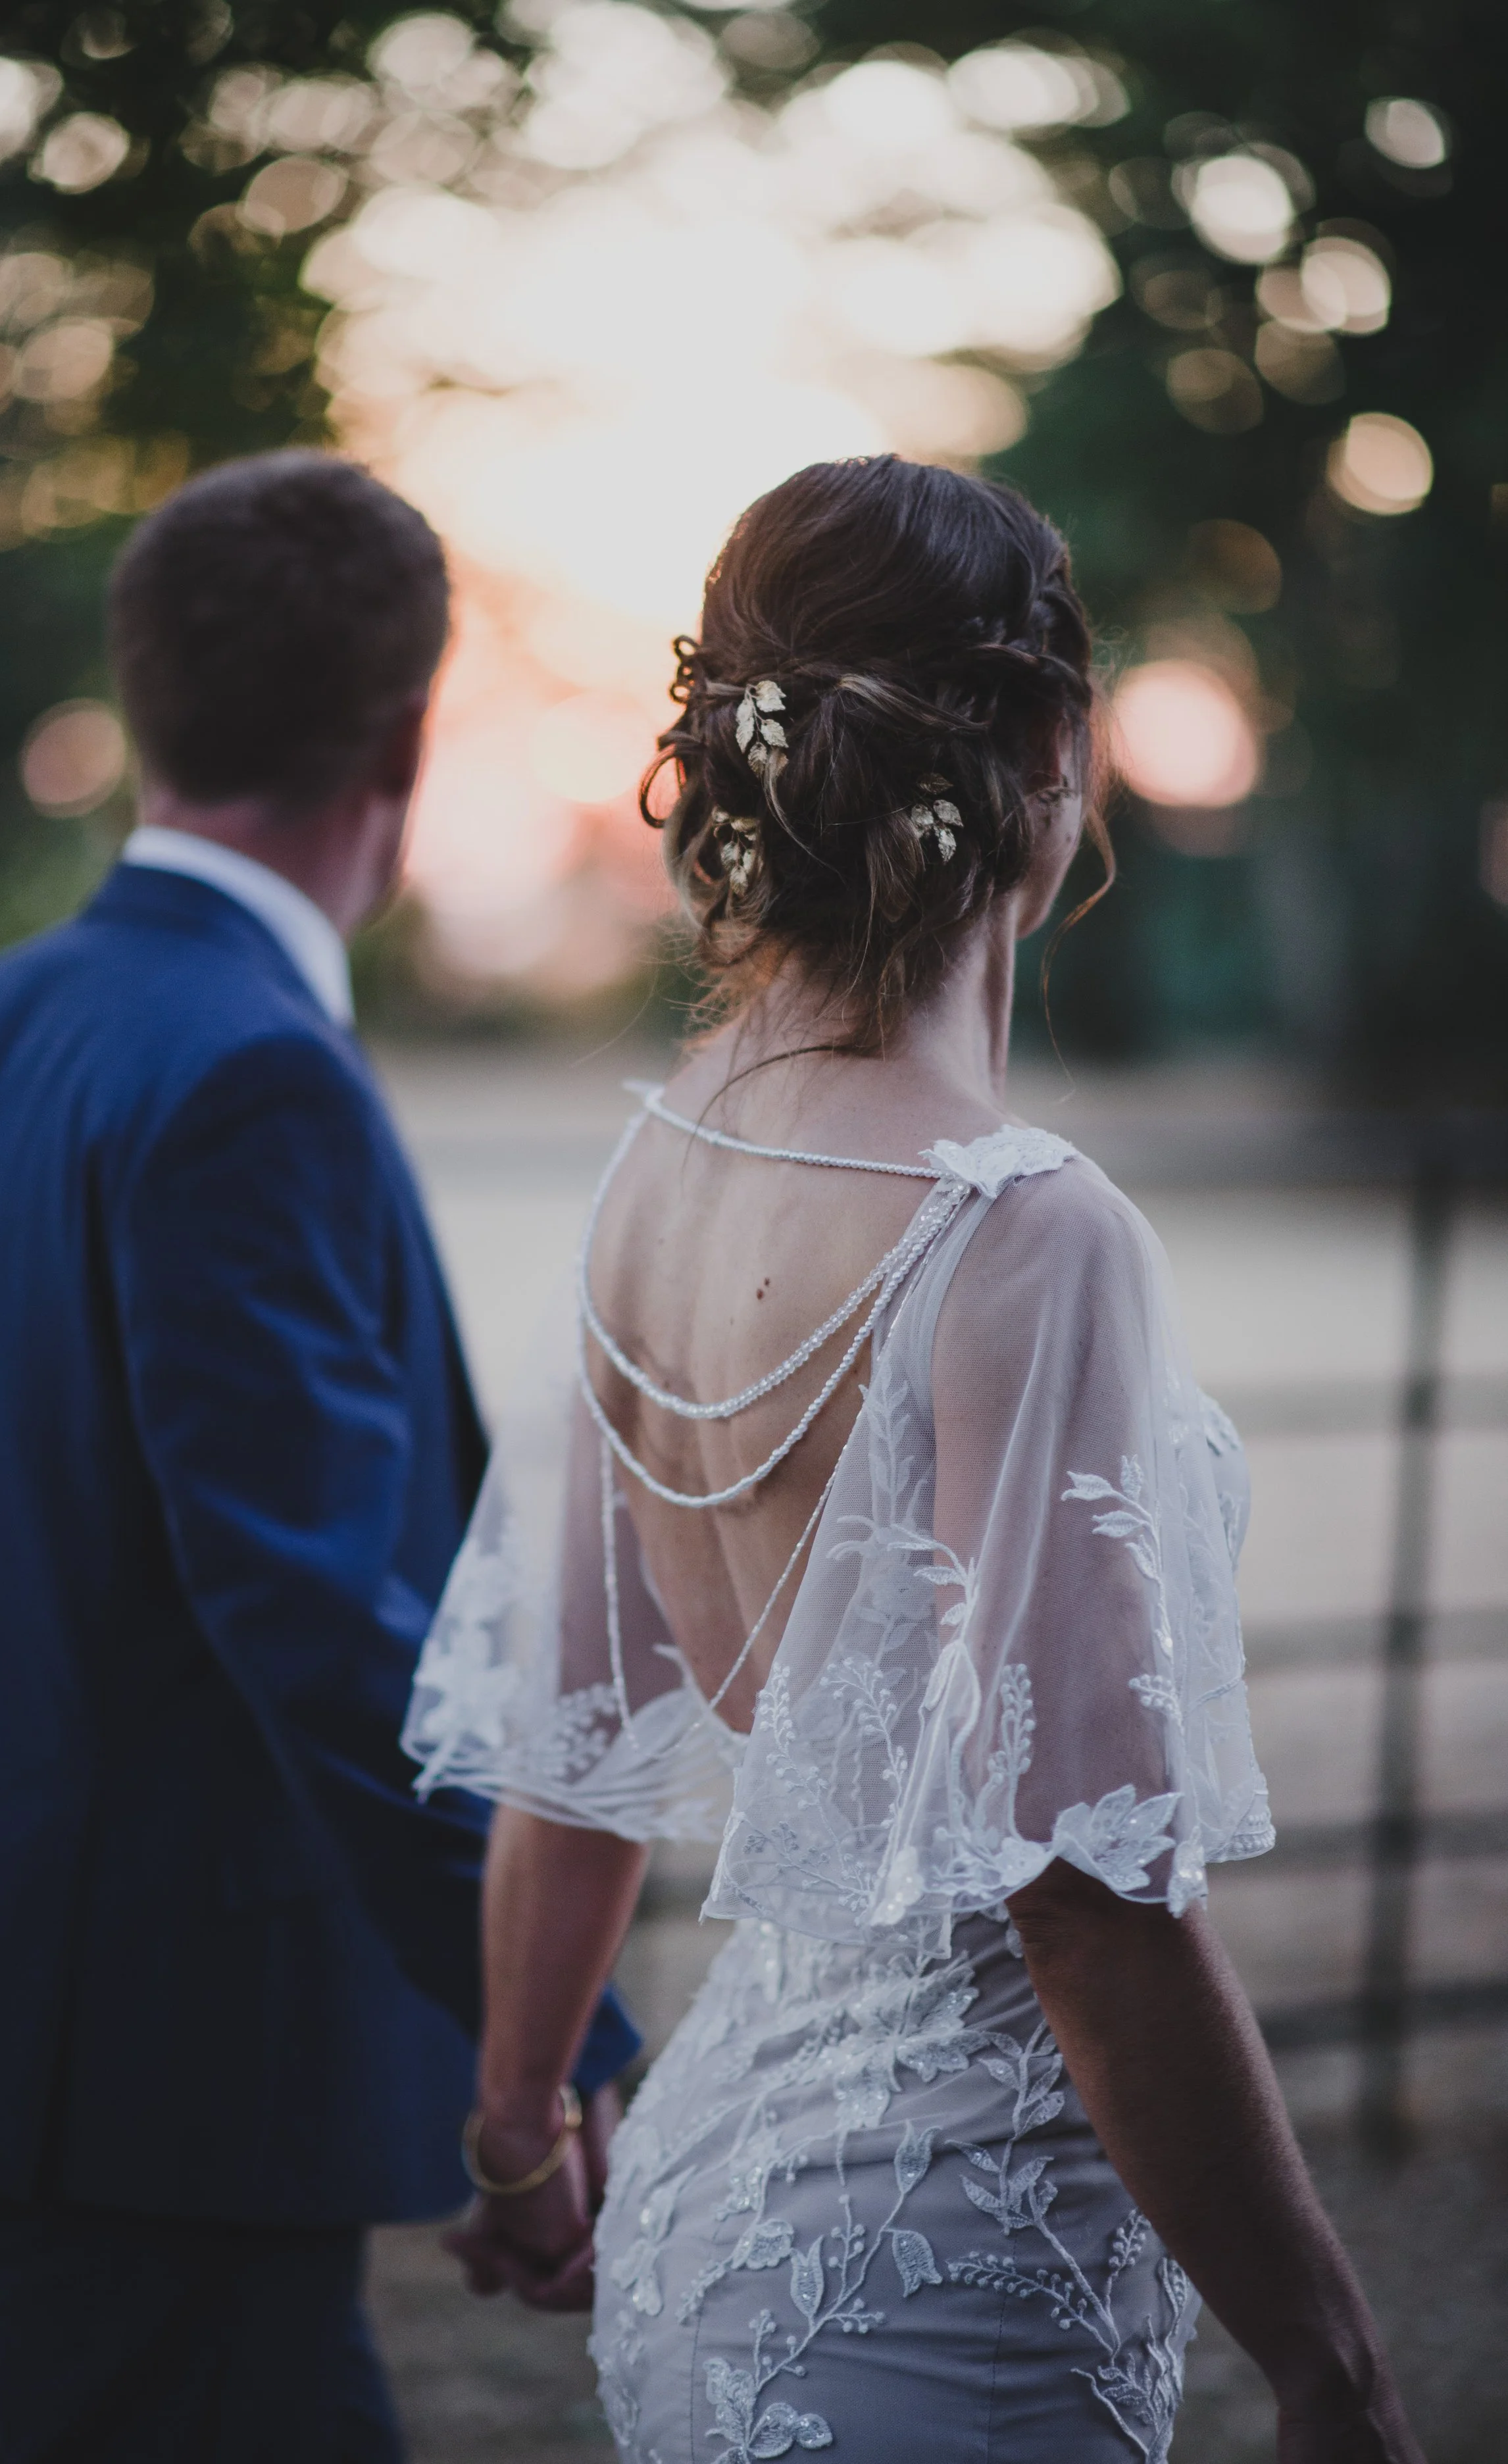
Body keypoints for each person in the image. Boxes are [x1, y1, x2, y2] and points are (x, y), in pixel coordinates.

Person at [404, 457, 1424, 2462]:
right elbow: (1082, 1901)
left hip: (708, 2221)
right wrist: (1329, 2364)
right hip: (943, 2276)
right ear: (1058, 748)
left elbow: (572, 1737)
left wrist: (521, 2131)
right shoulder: (1017, 1230)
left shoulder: (655, 1159)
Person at [0, 451, 636, 2463]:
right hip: (158, 2065)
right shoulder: (250, 1073)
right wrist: (540, 2056)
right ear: (404, 729)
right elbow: (315, 1615)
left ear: (147, 696)